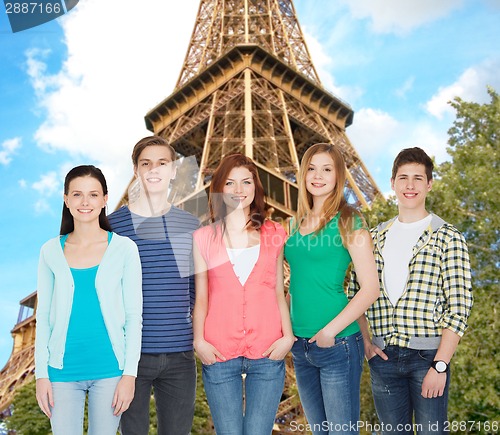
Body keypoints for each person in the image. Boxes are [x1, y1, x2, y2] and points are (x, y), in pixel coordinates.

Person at [349, 147, 473, 435]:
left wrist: (440, 365)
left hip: (428, 359)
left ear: (429, 184)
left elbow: (459, 305)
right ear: (392, 182)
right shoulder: (374, 237)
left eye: (418, 178)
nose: (410, 185)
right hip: (383, 359)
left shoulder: (448, 237)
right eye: (403, 177)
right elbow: (355, 293)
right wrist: (367, 342)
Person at [35, 165, 143, 434]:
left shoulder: (125, 249)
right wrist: (41, 375)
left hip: (110, 371)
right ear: (66, 199)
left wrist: (129, 375)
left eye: (93, 195)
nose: (85, 202)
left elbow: (133, 317)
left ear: (105, 199)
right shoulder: (49, 251)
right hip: (60, 373)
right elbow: (43, 318)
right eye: (77, 194)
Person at [192, 153, 295, 435]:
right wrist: (198, 341)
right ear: (220, 189)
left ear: (255, 187)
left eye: (246, 182)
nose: (239, 190)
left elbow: (278, 289)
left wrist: (288, 337)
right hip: (219, 351)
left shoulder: (275, 233)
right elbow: (202, 297)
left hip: (268, 350)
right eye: (230, 183)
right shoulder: (203, 238)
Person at [284, 143, 380, 435]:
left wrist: (329, 332)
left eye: (327, 169)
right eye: (311, 168)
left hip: (337, 344)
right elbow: (293, 287)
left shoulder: (349, 220)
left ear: (339, 176)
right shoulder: (292, 225)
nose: (318, 175)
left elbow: (370, 288)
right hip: (301, 347)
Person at [107, 136, 200, 435]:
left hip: (181, 357)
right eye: (146, 163)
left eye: (162, 163)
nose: (154, 169)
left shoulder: (191, 225)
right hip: (128, 359)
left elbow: (197, 291)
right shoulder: (111, 226)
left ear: (174, 170)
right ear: (136, 171)